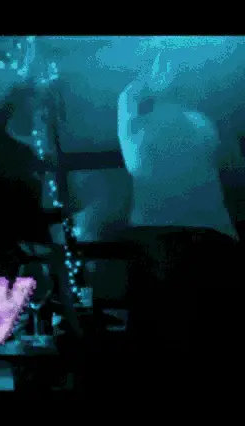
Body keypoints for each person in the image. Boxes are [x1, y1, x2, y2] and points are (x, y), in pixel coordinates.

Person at [116, 52, 243, 397]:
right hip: (210, 236)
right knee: (206, 338)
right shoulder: (205, 123)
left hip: (159, 235)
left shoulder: (139, 123)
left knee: (159, 339)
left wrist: (148, 77)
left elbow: (128, 101)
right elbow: (233, 167)